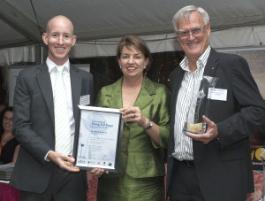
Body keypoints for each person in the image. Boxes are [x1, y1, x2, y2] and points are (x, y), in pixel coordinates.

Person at [167, 5, 265, 201]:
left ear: (208, 29)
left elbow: (258, 111)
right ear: (178, 38)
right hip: (180, 178)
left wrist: (220, 130)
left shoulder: (231, 65)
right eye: (183, 32)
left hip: (221, 176)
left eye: (196, 30)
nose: (190, 37)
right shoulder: (175, 75)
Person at [10, 15, 94, 201]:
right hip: (35, 173)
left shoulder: (85, 79)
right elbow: (20, 126)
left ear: (73, 40)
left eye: (66, 36)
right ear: (45, 38)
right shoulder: (27, 77)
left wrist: (95, 157)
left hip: (73, 176)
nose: (60, 41)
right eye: (55, 35)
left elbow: (87, 124)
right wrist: (49, 154)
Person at [96, 35, 170, 201]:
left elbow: (167, 138)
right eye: (125, 56)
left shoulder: (160, 93)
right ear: (119, 61)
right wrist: (96, 161)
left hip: (147, 184)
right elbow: (97, 135)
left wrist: (144, 121)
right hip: (111, 180)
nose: (131, 61)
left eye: (137, 56)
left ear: (146, 62)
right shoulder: (105, 93)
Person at [0, 106, 20, 201]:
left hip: (7, 186)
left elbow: (13, 166)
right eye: (5, 118)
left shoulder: (19, 141)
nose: (7, 122)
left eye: (11, 119)